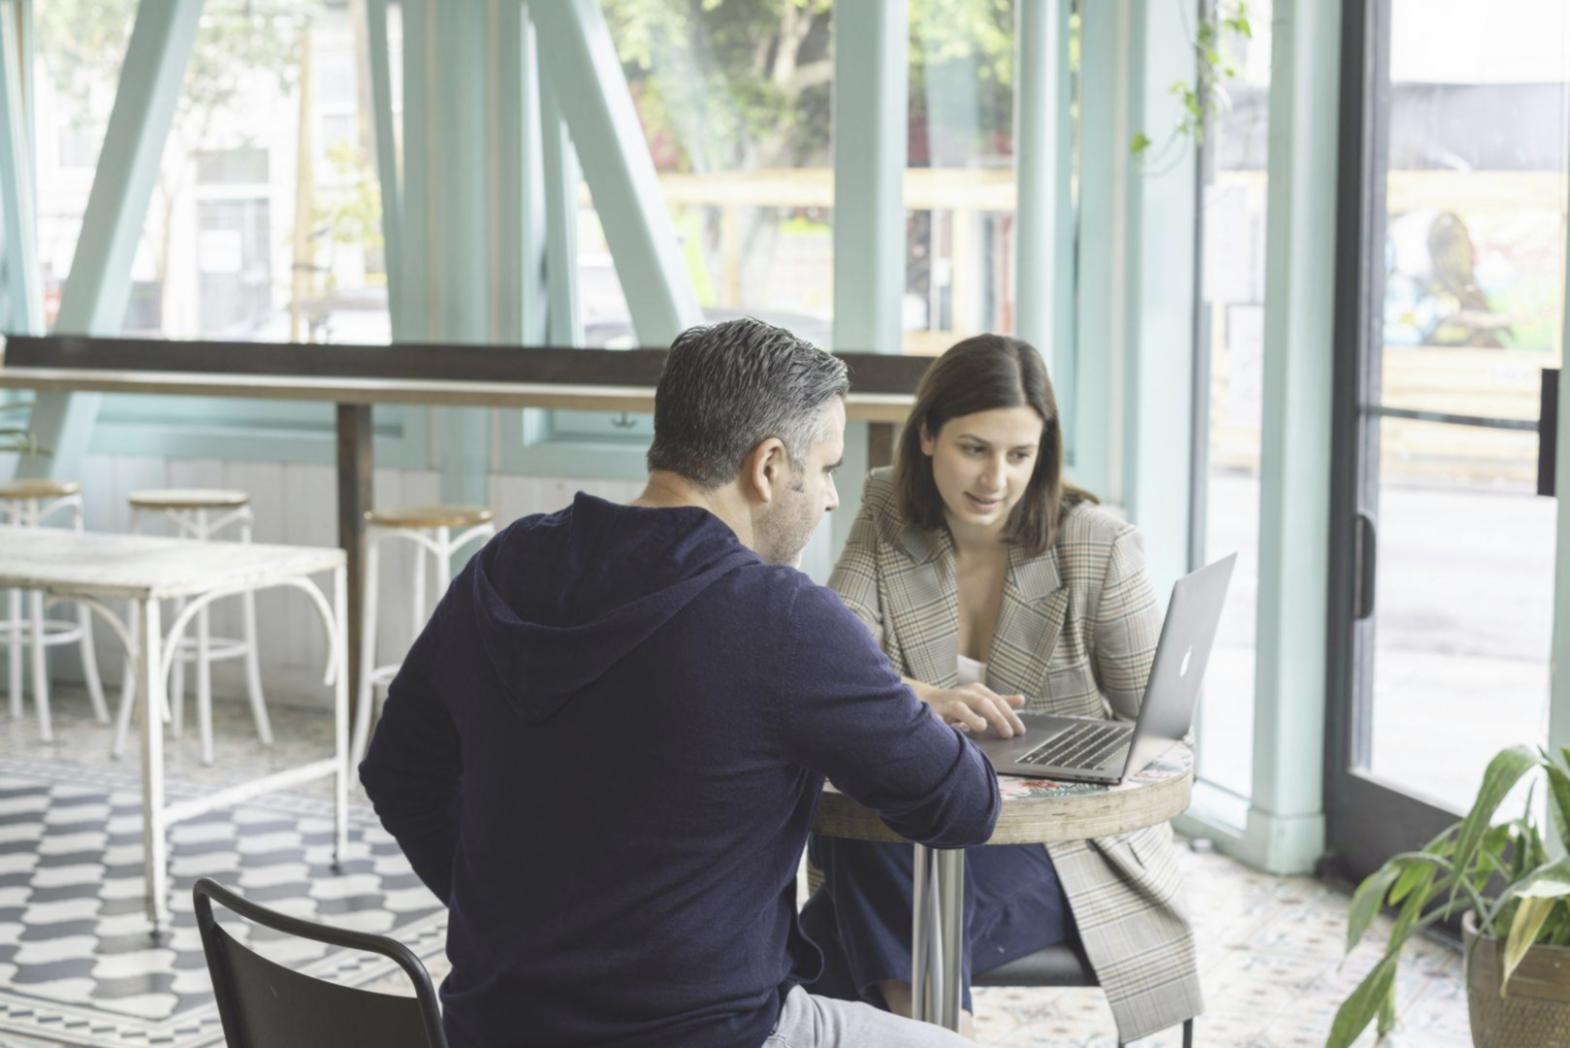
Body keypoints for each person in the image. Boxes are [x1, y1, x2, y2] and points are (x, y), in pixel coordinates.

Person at [359, 317, 999, 1048]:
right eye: (825, 468)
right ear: (766, 467)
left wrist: (522, 930)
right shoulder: (781, 618)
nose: (829, 498)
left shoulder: (504, 566)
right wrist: (888, 692)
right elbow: (962, 805)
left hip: (493, 1027)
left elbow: (398, 772)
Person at [800, 334, 1202, 1043]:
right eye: (975, 449)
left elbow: (1162, 733)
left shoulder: (1097, 545)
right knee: (878, 859)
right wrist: (920, 694)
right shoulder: (888, 508)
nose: (997, 479)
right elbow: (835, 661)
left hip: (1064, 848)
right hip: (922, 828)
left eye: (1021, 455)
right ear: (927, 436)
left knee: (818, 935)